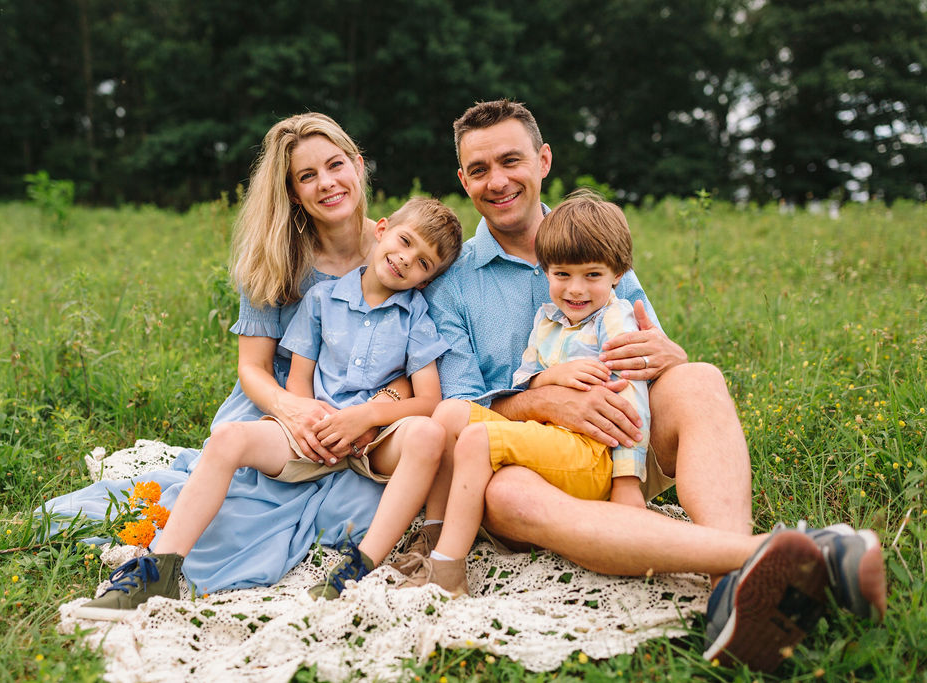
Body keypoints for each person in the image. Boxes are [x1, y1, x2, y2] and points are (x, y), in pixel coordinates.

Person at [411, 99, 886, 672]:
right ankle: (780, 559)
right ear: (463, 179)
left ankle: (727, 589)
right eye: (479, 169)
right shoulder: (453, 282)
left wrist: (670, 353)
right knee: (506, 491)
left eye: (511, 160)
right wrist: (544, 400)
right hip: (528, 461)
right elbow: (458, 404)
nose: (498, 180)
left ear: (543, 160)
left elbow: (649, 346)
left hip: (622, 437)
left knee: (699, 378)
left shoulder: (593, 236)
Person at [43, 113, 404, 601]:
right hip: (280, 404)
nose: (327, 183)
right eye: (306, 176)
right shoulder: (276, 260)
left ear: (358, 166)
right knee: (235, 518)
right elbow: (252, 369)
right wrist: (291, 410)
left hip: (367, 410)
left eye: (335, 165)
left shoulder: (400, 248)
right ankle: (158, 569)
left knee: (354, 511)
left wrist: (373, 409)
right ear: (293, 193)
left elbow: (421, 353)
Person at [74, 196, 463, 619]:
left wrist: (368, 417)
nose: (406, 259)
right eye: (405, 241)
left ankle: (357, 568)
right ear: (382, 229)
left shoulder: (416, 318)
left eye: (423, 263)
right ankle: (159, 569)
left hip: (373, 441)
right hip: (312, 427)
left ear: (426, 281)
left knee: (429, 433)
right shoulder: (321, 300)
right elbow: (298, 378)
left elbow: (428, 401)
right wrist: (306, 423)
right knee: (228, 438)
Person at [395, 190, 650, 596]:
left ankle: (448, 569)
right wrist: (548, 384)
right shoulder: (548, 319)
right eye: (562, 275)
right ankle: (434, 534)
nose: (575, 289)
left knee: (479, 438)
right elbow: (527, 376)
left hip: (594, 453)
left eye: (592, 276)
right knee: (448, 414)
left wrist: (627, 481)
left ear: (617, 274)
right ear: (546, 270)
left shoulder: (615, 322)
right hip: (551, 438)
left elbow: (633, 400)